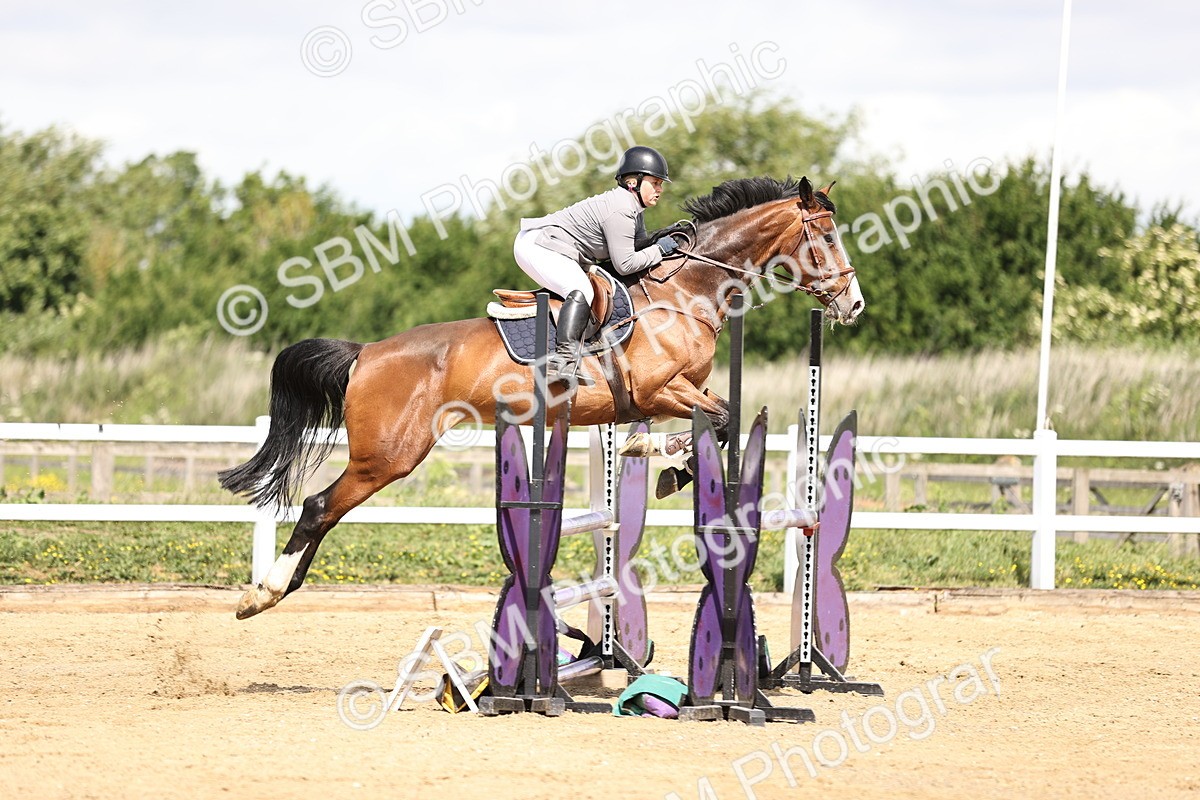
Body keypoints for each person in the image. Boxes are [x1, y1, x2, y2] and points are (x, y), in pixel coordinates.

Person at [514, 145, 680, 384]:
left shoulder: (633, 208)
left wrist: (667, 236)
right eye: (655, 183)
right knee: (582, 290)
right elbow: (625, 264)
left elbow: (639, 246)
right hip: (537, 244)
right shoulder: (622, 209)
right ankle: (563, 361)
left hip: (552, 245)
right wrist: (660, 250)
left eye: (660, 184)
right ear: (633, 182)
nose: (659, 189)